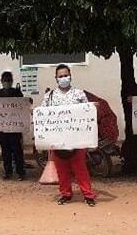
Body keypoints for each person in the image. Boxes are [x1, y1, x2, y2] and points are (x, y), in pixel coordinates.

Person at [41, 64, 97, 206]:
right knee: (62, 169)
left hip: (76, 138)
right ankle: (65, 194)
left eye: (66, 75)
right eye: (60, 76)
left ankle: (88, 195)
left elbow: (86, 112)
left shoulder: (79, 94)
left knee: (80, 168)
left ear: (70, 76)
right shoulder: (49, 96)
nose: (63, 78)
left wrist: (92, 108)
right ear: (56, 78)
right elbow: (42, 114)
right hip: (57, 138)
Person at [0, 70, 26, 180]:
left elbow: (23, 106)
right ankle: (8, 172)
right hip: (2, 128)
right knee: (5, 151)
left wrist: (28, 102)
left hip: (15, 128)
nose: (6, 82)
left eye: (8, 80)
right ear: (1, 81)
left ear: (12, 81)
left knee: (17, 150)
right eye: (5, 80)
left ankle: (20, 172)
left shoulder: (17, 93)